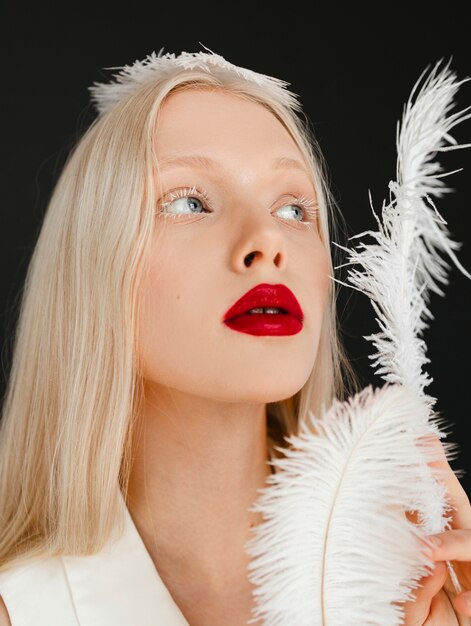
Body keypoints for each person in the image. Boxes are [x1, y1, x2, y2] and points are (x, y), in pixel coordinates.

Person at [0, 49, 470, 625]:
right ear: (93, 267)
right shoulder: (20, 607)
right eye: (190, 202)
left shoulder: (418, 593)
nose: (267, 239)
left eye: (295, 209)